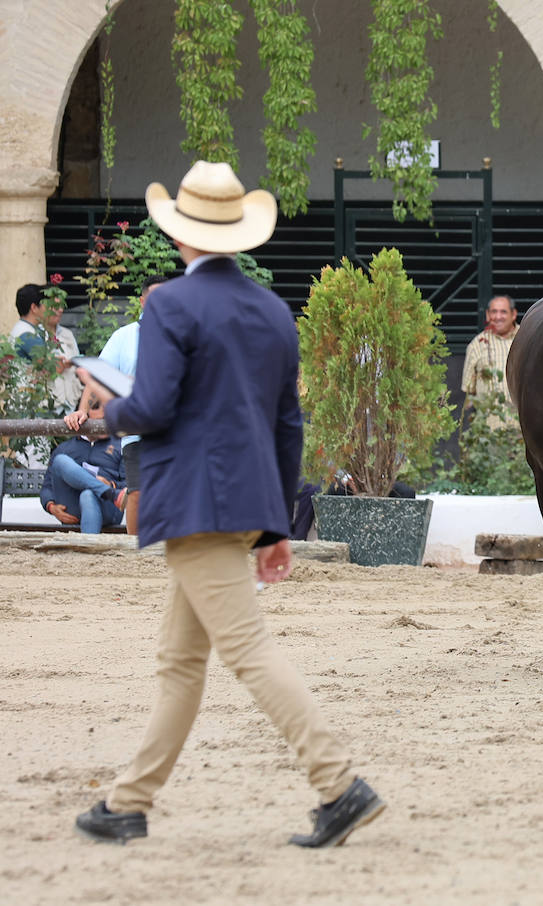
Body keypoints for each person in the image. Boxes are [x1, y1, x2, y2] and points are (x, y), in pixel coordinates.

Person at [72, 160, 383, 847]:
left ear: (181, 236)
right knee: (180, 660)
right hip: (242, 503)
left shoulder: (172, 305)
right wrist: (274, 523)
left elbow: (151, 406)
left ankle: (338, 782)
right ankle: (128, 802)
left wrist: (104, 406)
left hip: (192, 500)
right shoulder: (272, 311)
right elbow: (286, 428)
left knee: (244, 650)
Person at [65, 276, 168, 535]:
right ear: (143, 301)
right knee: (137, 493)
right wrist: (83, 410)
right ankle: (136, 555)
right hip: (136, 429)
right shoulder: (124, 336)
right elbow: (97, 374)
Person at [38, 406, 126, 533]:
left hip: (108, 508)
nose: (104, 425)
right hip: (72, 507)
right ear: (84, 420)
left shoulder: (120, 446)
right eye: (99, 421)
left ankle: (109, 493)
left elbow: (129, 485)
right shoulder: (65, 448)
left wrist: (111, 484)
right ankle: (109, 493)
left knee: (88, 494)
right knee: (60, 460)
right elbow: (47, 488)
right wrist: (51, 507)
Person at [460, 294, 520, 413]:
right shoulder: (477, 345)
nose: (498, 317)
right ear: (487, 315)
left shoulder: (527, 339)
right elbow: (469, 391)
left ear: (513, 314)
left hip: (522, 426)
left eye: (503, 312)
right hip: (489, 427)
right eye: (494, 312)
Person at [43, 294, 82, 412]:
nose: (60, 310)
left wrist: (73, 362)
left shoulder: (67, 334)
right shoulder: (36, 335)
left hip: (70, 402)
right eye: (55, 306)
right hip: (46, 404)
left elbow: (77, 361)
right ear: (43, 307)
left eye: (61, 306)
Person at [9, 283, 47, 360]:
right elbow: (48, 367)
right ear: (34, 307)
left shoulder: (21, 328)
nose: (49, 309)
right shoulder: (28, 336)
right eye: (45, 304)